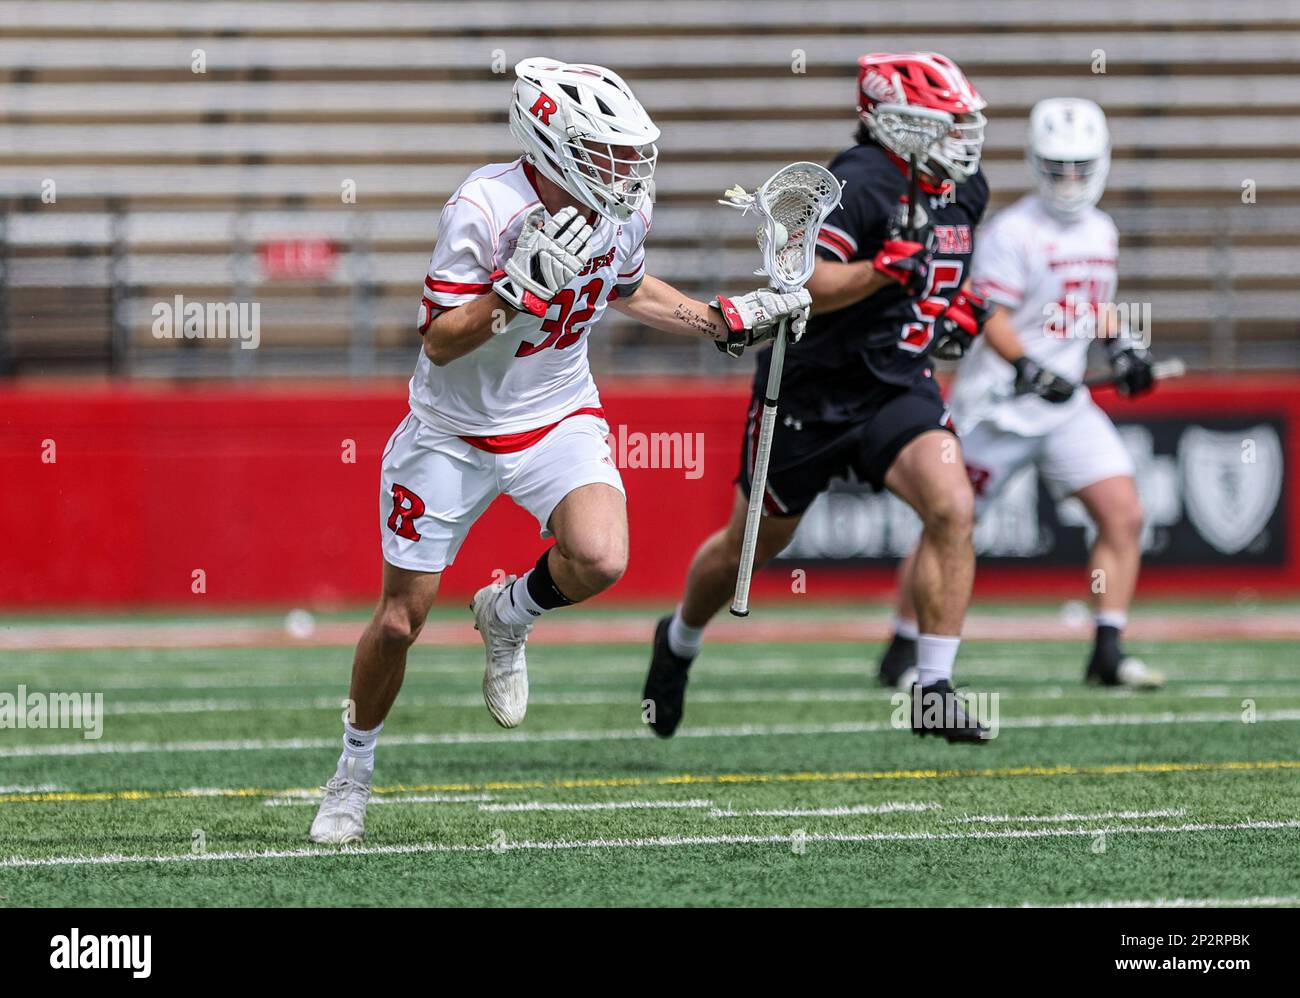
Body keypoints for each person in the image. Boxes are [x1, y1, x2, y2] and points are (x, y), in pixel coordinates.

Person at [310, 58, 811, 844]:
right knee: (401, 621)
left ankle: (509, 613)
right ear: (552, 145)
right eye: (608, 150)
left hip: (555, 410)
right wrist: (513, 294)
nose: (627, 169)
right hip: (452, 429)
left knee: (603, 556)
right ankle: (353, 772)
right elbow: (440, 342)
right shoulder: (483, 205)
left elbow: (627, 286)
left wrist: (719, 319)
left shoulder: (622, 211)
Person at [644, 52, 994, 744]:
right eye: (946, 123)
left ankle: (934, 687)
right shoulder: (856, 184)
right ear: (898, 124)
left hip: (896, 382)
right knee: (751, 545)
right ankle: (679, 639)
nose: (963, 137)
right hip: (812, 390)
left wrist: (960, 309)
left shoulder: (966, 188)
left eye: (964, 122)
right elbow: (805, 285)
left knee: (952, 505)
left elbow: (948, 274)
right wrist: (879, 272)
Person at [877, 98, 1163, 692]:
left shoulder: (1102, 230)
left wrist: (1126, 347)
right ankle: (903, 648)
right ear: (1036, 165)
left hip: (1063, 408)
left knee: (1124, 513)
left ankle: (1107, 647)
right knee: (947, 523)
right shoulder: (1013, 231)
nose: (1070, 180)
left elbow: (1091, 305)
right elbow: (987, 314)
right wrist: (1028, 366)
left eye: (1081, 167)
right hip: (997, 407)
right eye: (1058, 168)